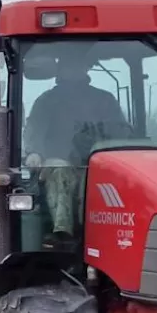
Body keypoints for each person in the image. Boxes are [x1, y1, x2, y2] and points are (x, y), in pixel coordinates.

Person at [22, 45, 130, 238]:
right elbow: (34, 132)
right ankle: (63, 230)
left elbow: (121, 132)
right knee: (60, 171)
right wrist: (34, 153)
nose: (73, 68)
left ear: (86, 67)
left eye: (78, 63)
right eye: (68, 64)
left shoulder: (104, 100)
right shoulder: (47, 102)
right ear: (60, 68)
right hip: (61, 165)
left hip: (100, 165)